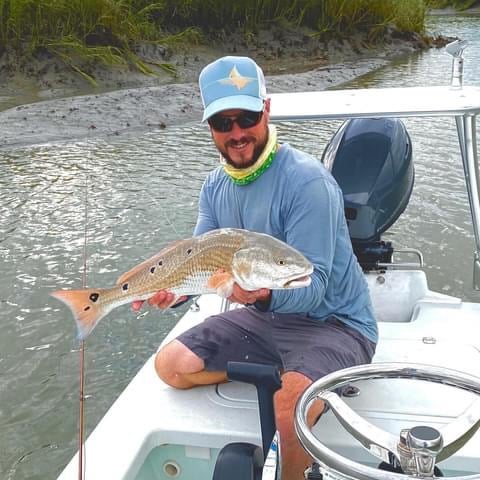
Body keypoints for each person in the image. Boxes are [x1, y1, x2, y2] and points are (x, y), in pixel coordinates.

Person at [133, 56, 378, 479]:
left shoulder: (308, 183)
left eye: (247, 117)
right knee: (170, 366)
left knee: (290, 407)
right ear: (209, 126)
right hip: (262, 316)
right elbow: (200, 262)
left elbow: (314, 287)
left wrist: (262, 295)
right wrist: (173, 292)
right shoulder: (215, 186)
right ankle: (284, 371)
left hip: (335, 322)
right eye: (222, 123)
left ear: (266, 110)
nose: (237, 133)